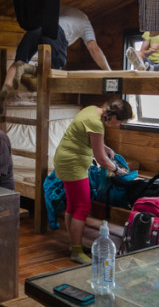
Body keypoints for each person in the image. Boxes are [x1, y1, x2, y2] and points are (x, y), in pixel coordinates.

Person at [53, 100, 133, 263]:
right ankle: (76, 252)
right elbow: (101, 160)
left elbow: (89, 138)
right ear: (114, 117)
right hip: (72, 164)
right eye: (120, 122)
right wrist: (118, 170)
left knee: (73, 205)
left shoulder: (91, 110)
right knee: (82, 206)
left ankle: (74, 244)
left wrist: (106, 147)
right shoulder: (97, 124)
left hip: (65, 159)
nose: (118, 125)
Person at [0, 5, 111, 114]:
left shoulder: (65, 9)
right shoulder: (86, 24)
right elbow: (93, 49)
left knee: (18, 62)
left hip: (36, 27)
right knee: (55, 70)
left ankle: (4, 93)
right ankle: (29, 72)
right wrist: (109, 71)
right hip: (55, 31)